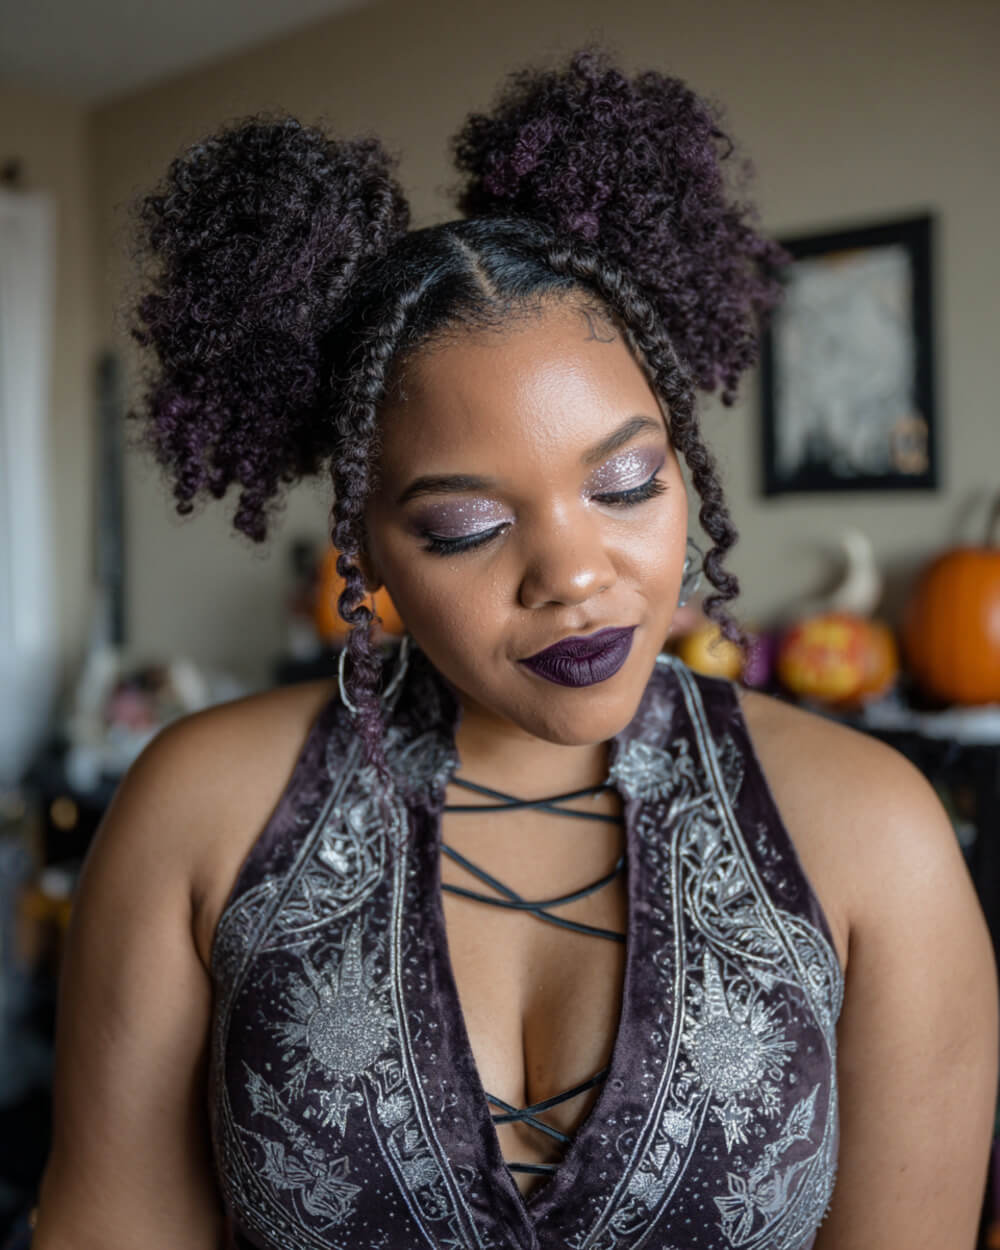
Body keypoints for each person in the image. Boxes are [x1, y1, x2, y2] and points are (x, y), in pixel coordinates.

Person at [31, 47, 998, 1250]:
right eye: (466, 527)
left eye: (628, 483)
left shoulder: (874, 835)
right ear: (367, 550)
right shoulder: (199, 812)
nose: (575, 575)